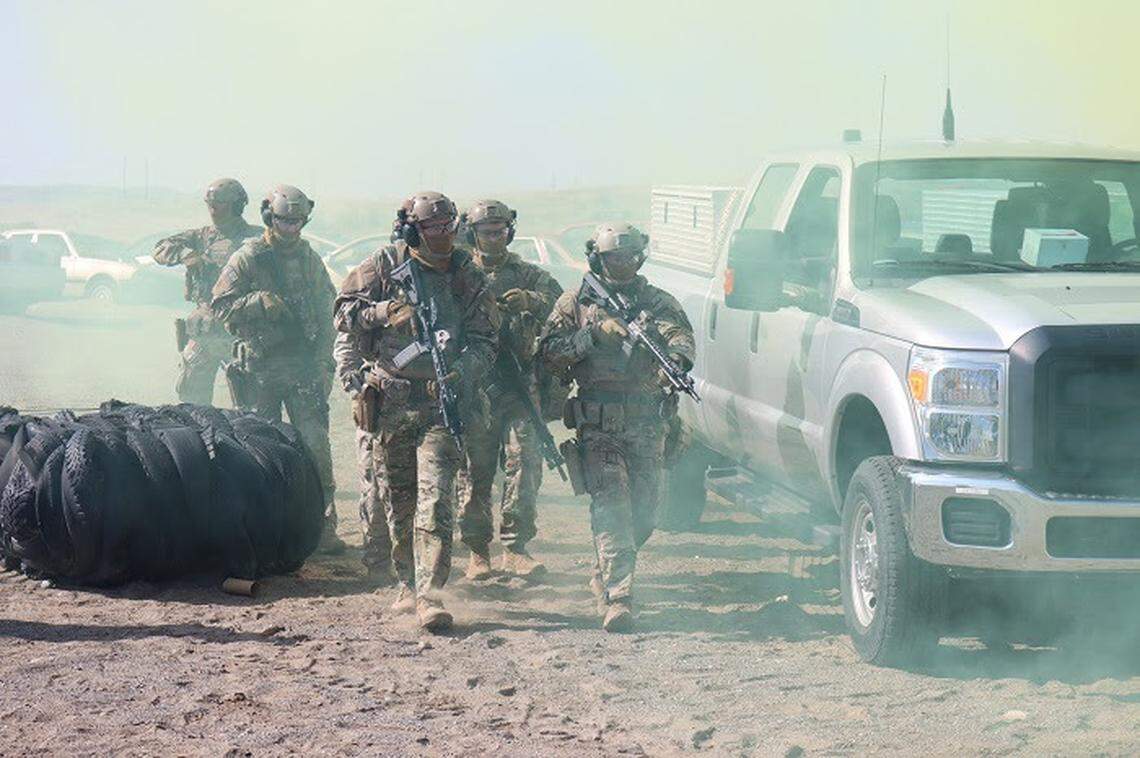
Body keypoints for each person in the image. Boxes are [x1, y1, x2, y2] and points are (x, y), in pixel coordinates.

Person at [333, 191, 499, 632]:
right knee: (398, 503)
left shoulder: (468, 274)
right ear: (412, 231)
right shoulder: (382, 266)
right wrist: (383, 312)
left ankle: (430, 594)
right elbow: (343, 315)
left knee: (437, 502)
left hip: (441, 404)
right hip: (392, 403)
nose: (443, 237)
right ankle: (406, 583)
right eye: (433, 230)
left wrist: (463, 372)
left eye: (448, 228)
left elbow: (486, 343)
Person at [538, 223, 695, 632]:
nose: (622, 265)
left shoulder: (658, 302)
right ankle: (619, 597)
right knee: (612, 506)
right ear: (598, 259)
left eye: (629, 257)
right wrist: (591, 336)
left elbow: (680, 339)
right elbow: (550, 353)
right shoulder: (575, 302)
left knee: (645, 514)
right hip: (598, 422)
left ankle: (604, 571)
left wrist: (674, 361)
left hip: (646, 420)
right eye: (613, 258)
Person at [210, 184, 345, 554]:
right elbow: (220, 305)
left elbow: (328, 310)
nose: (291, 228)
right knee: (259, 451)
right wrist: (258, 302)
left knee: (316, 445)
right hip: (258, 369)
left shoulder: (309, 258)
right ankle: (261, 528)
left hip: (302, 369)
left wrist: (324, 362)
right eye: (285, 221)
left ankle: (323, 524)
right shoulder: (249, 257)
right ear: (270, 217)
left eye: (298, 222)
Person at [456, 200, 562, 581]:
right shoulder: (460, 273)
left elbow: (564, 308)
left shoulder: (528, 274)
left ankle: (515, 547)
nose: (494, 239)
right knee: (475, 470)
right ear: (473, 234)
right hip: (477, 385)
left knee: (525, 461)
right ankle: (477, 551)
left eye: (500, 231)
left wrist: (531, 301)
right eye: (486, 232)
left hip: (519, 384)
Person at [153, 178, 261, 405]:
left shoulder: (256, 239)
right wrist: (185, 255)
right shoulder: (201, 237)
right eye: (210, 203)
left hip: (243, 331)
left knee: (250, 405)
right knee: (191, 398)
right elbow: (160, 249)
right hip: (205, 330)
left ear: (237, 205)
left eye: (220, 203)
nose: (213, 208)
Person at [333, 330, 395, 584]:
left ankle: (413, 563)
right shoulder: (368, 292)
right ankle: (378, 561)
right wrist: (358, 386)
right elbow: (346, 345)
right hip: (377, 404)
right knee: (374, 486)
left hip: (422, 402)